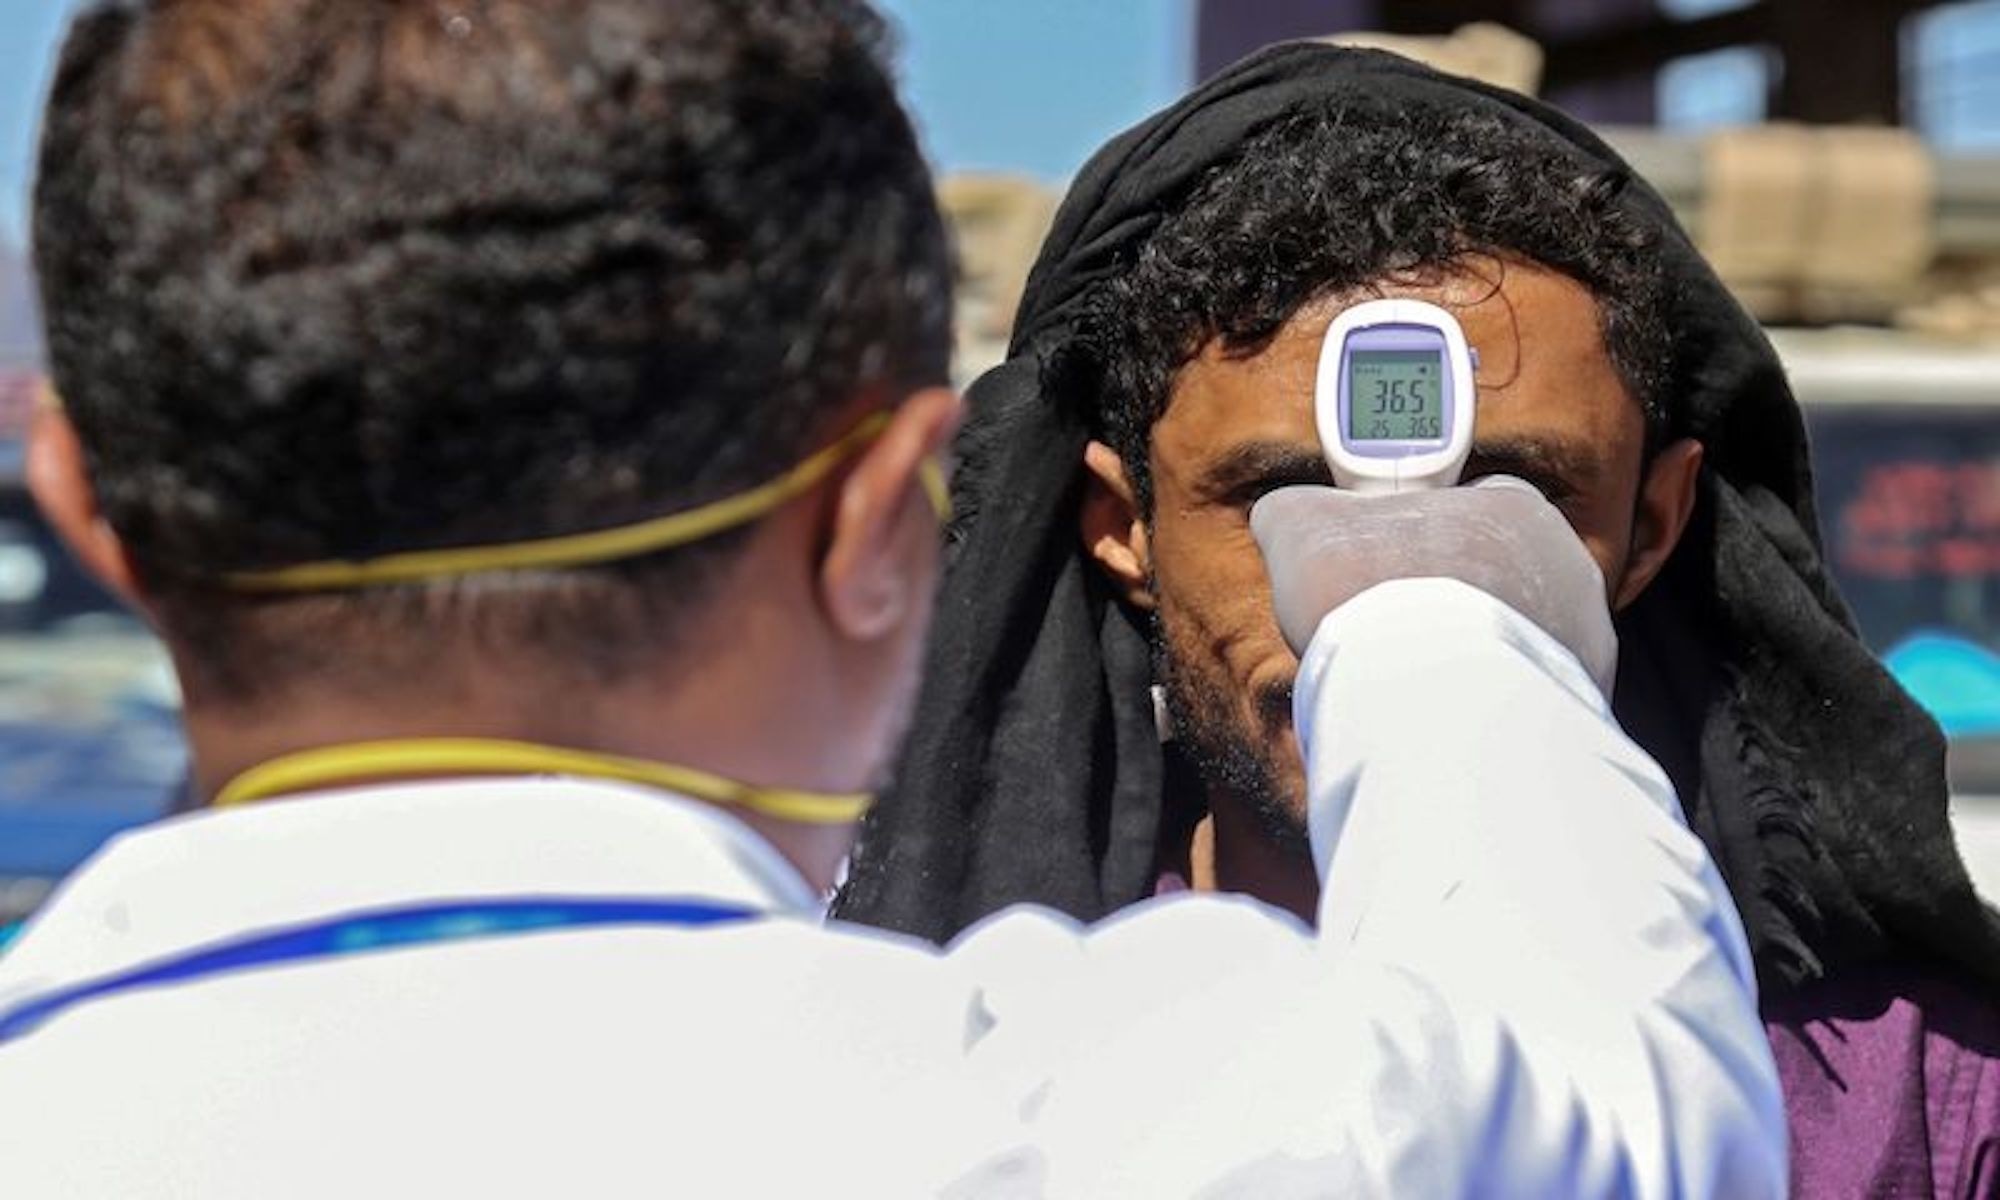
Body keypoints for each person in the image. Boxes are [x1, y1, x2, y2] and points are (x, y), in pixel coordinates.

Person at [0, 3, 1781, 1195]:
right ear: (881, 518)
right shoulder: (1166, 1116)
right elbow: (1629, 1101)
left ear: (88, 499)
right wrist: (1425, 596)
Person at [836, 42, 2000, 1198]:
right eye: (1278, 495)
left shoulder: (1912, 1111)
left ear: (1651, 523)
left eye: (1514, 493)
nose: (1389, 583)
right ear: (1121, 523)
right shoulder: (948, 1074)